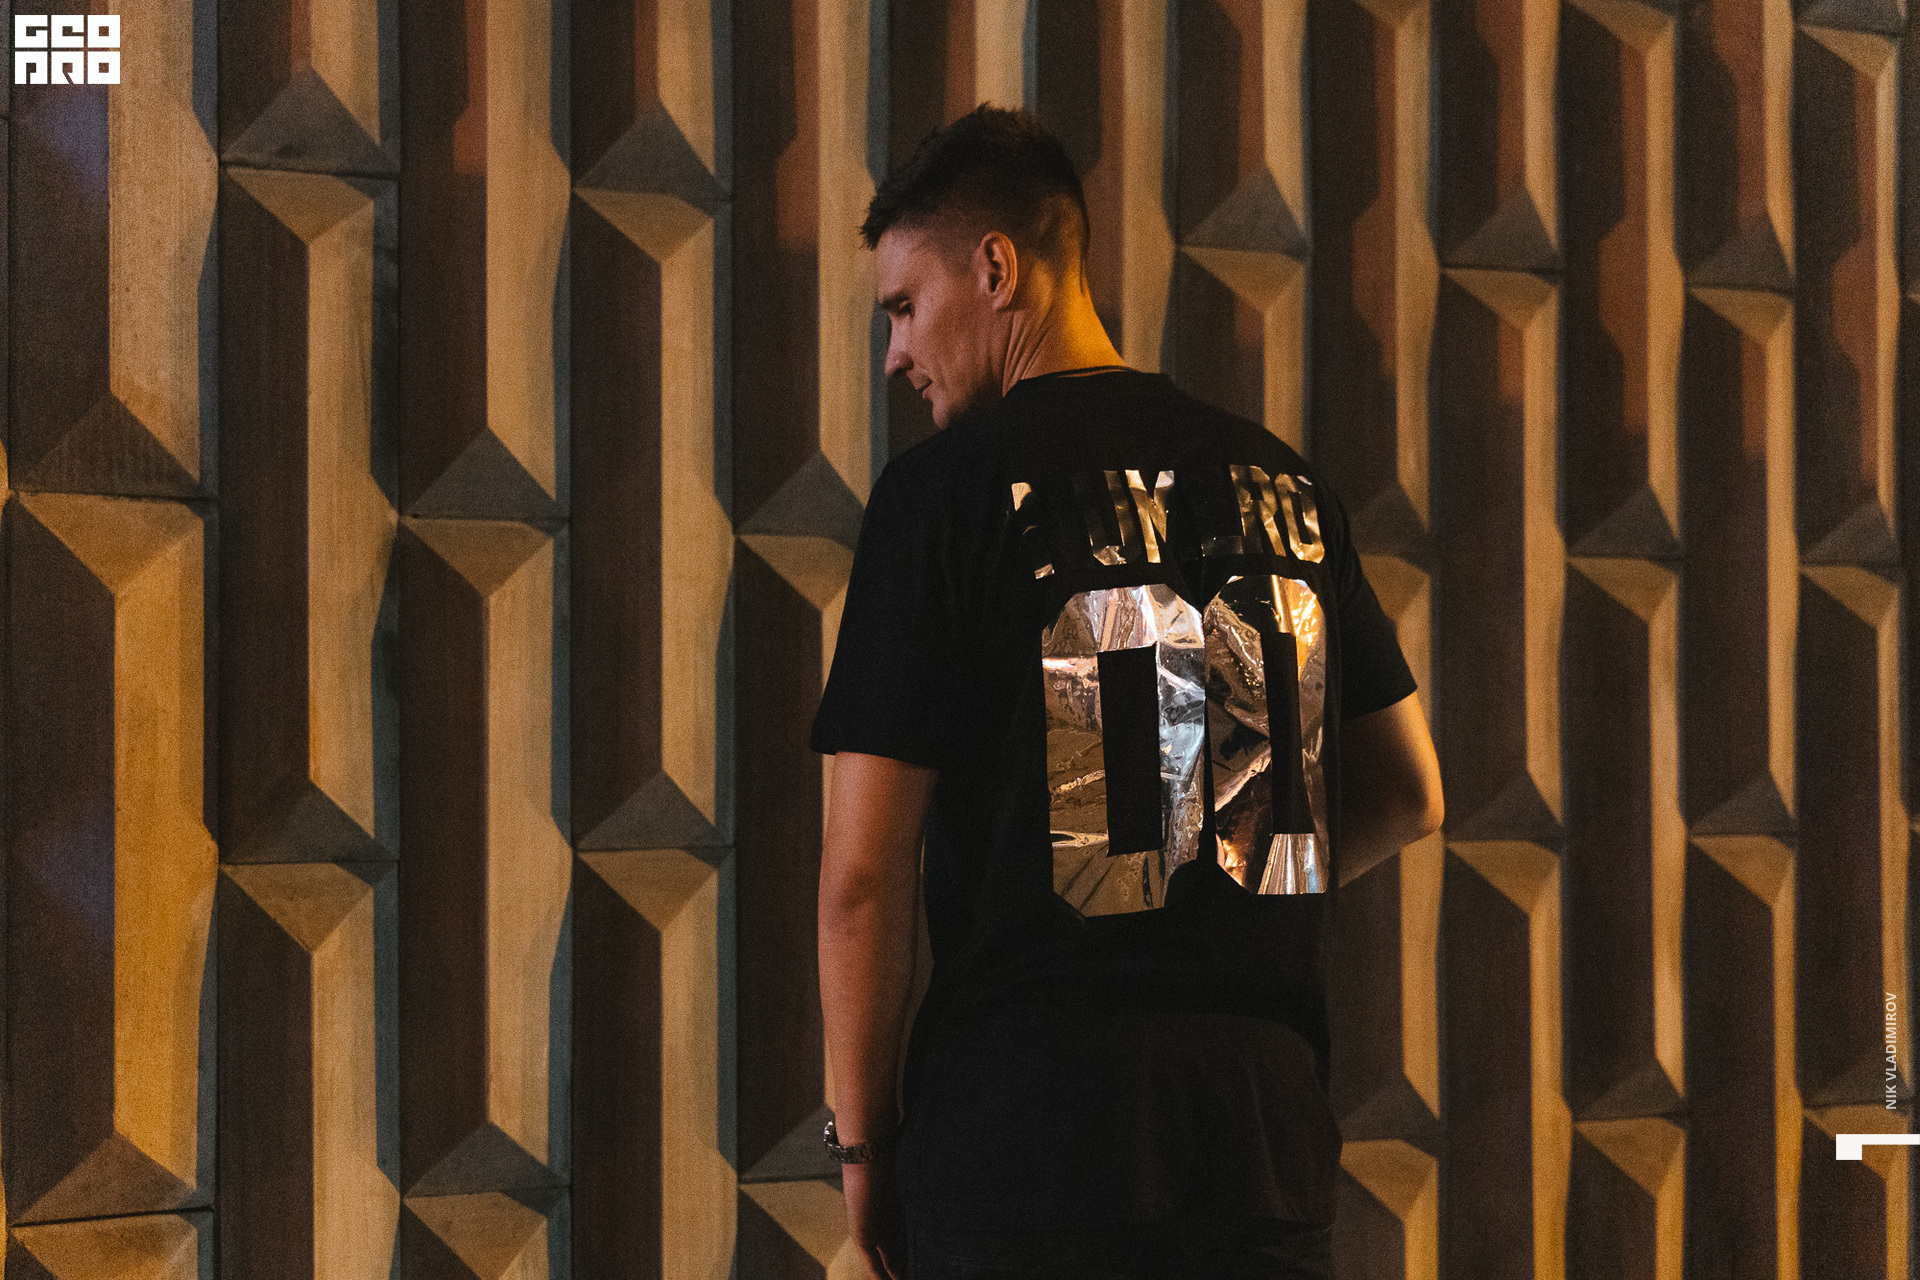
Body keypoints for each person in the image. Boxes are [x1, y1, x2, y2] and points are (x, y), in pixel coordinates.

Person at [810, 105, 1444, 1280]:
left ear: (997, 268)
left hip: (1029, 1141)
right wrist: (1221, 879)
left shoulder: (943, 497)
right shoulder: (1284, 486)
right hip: (1258, 1145)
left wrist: (864, 1145)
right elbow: (1410, 789)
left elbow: (861, 880)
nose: (896, 354)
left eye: (904, 305)